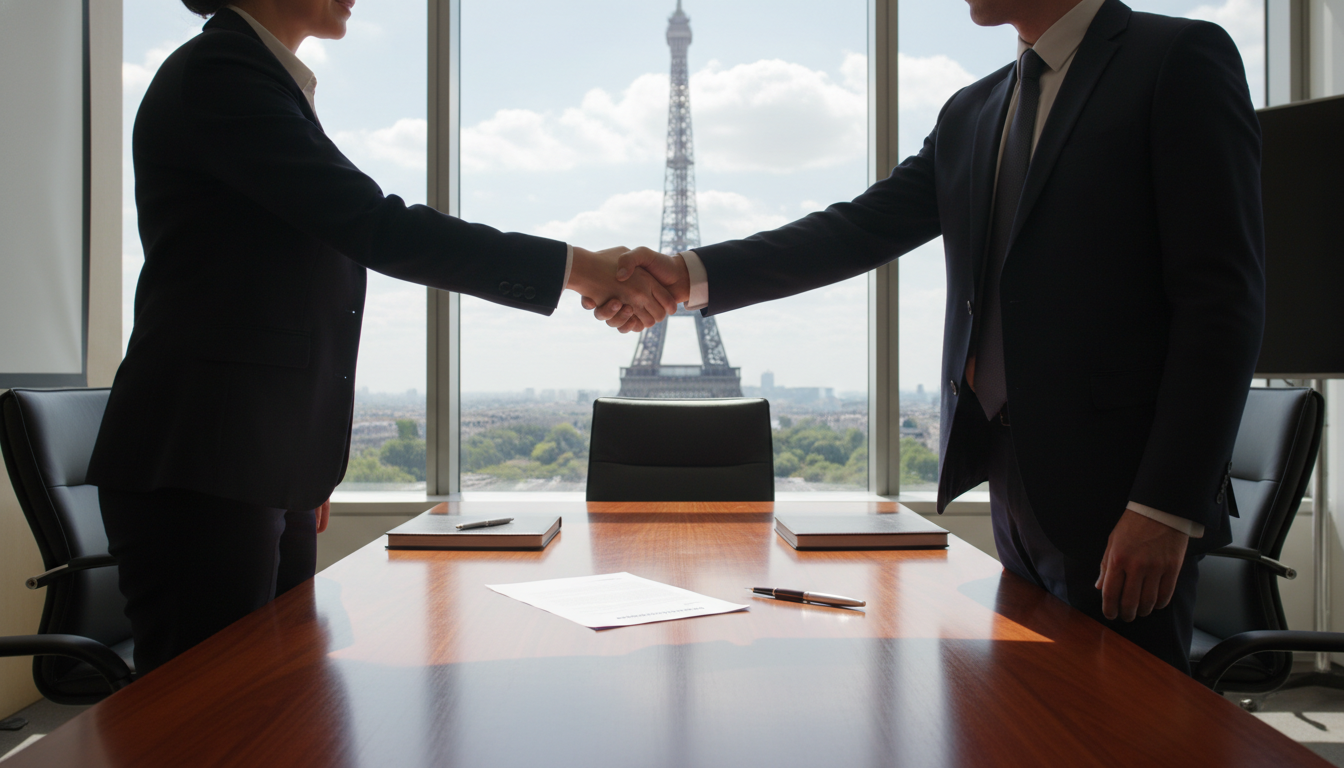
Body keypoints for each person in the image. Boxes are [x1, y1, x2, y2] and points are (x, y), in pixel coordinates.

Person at [593, 0, 1265, 672]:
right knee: (1034, 716)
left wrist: (1166, 506)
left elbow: (1221, 300)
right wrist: (688, 274)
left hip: (1125, 500)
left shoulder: (1176, 59)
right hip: (1013, 486)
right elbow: (858, 229)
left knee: (1126, 729)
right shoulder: (975, 109)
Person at [87, 0, 673, 675]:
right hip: (203, 461)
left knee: (271, 698)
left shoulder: (255, 79)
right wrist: (583, 268)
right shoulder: (221, 72)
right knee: (212, 713)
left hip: (250, 458)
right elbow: (375, 226)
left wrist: (303, 455)